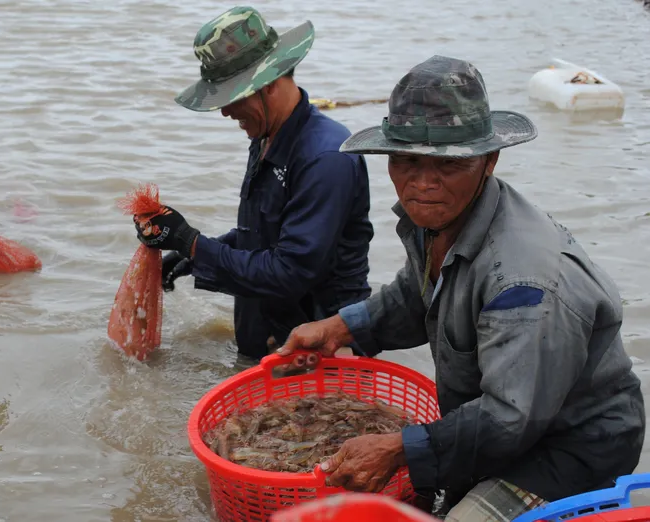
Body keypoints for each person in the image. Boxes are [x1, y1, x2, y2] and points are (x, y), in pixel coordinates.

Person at [275, 55, 646, 521]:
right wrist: (339, 328)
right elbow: (418, 294)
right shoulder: (440, 220)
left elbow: (510, 418)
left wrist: (398, 448)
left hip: (569, 447)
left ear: (488, 161)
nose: (423, 183)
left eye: (448, 164)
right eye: (407, 160)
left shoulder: (523, 281)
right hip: (510, 420)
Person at [135, 6, 374, 360]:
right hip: (269, 338)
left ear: (270, 82)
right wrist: (188, 253)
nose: (225, 112)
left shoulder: (326, 157)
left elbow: (289, 272)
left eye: (232, 97)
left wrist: (194, 244)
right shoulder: (267, 136)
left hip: (317, 350)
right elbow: (265, 234)